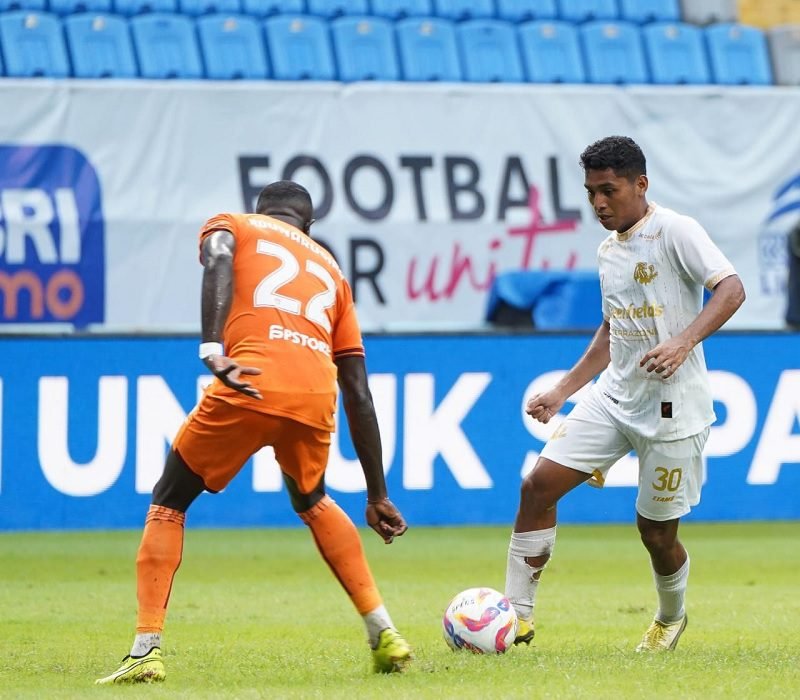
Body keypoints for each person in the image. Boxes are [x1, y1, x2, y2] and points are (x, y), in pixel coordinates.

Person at [96, 181, 412, 684]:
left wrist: (211, 347)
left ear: (261, 211)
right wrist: (377, 493)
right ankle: (384, 630)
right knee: (312, 499)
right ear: (308, 227)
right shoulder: (333, 272)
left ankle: (145, 650)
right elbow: (358, 390)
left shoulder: (235, 224)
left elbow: (218, 257)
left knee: (169, 501)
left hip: (249, 378)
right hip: (314, 393)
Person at [504, 136, 745, 652]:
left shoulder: (675, 231)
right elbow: (614, 326)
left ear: (641, 184)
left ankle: (670, 617)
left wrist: (683, 342)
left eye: (608, 190)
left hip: (673, 411)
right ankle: (515, 621)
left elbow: (731, 289)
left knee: (655, 533)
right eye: (591, 192)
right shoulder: (608, 249)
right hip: (614, 399)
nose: (597, 203)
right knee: (536, 487)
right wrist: (563, 390)